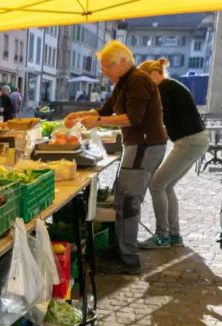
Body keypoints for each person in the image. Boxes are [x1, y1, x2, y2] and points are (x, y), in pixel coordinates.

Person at [63, 40, 168, 275]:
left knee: (128, 201)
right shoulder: (123, 82)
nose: (104, 71)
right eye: (102, 67)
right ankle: (121, 248)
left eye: (107, 66)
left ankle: (128, 259)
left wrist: (98, 122)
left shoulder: (138, 80)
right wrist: (81, 115)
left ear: (123, 61)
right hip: (139, 144)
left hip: (144, 144)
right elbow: (105, 110)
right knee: (122, 198)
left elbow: (133, 118)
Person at [136, 58, 209, 249]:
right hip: (194, 140)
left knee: (157, 184)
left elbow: (156, 118)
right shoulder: (171, 86)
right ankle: (174, 235)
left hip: (189, 142)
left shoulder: (164, 89)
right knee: (166, 186)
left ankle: (162, 236)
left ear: (153, 74)